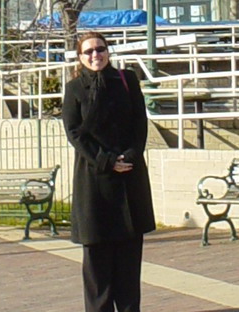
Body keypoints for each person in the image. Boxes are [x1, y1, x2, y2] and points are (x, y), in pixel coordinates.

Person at [62, 31, 155, 312]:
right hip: (94, 181)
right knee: (97, 265)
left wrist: (131, 154)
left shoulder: (127, 80)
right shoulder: (75, 88)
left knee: (128, 264)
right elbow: (75, 133)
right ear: (80, 57)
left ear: (108, 51)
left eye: (100, 49)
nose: (95, 55)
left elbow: (139, 123)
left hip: (129, 178)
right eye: (88, 51)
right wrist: (106, 160)